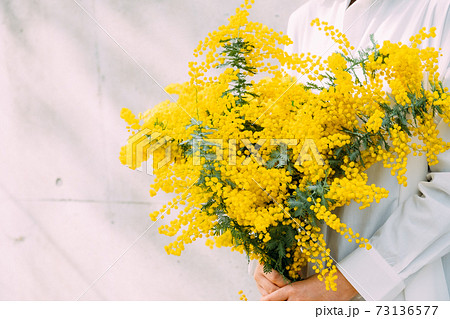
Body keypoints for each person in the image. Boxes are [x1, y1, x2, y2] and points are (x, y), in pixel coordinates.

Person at [253, 0, 450, 301]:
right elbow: (291, 159)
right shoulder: (305, 20)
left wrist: (344, 283)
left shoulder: (438, 13)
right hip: (301, 286)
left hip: (402, 288)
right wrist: (271, 252)